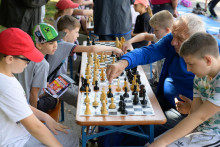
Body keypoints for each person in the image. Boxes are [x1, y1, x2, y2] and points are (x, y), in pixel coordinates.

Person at [106, 14, 208, 146]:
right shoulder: (173, 39)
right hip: (163, 98)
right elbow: (148, 52)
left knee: (143, 130)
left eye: (180, 39)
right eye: (173, 36)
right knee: (123, 114)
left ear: (197, 41)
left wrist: (194, 109)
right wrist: (123, 63)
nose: (172, 42)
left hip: (188, 113)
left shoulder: (212, 55)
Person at [0, 28, 78, 146]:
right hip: (16, 141)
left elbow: (20, 105)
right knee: (71, 139)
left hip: (19, 133)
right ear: (10, 59)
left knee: (70, 135)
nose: (28, 63)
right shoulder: (8, 86)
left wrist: (46, 117)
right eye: (27, 59)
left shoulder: (6, 75)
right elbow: (35, 127)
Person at [149, 32, 220, 147]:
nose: (188, 69)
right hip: (200, 128)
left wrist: (161, 143)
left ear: (208, 60)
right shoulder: (199, 76)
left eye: (190, 64)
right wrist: (191, 108)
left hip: (215, 134)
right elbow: (195, 113)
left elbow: (200, 116)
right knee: (151, 143)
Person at [46, 15, 124, 106]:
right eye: (76, 32)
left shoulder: (59, 41)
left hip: (60, 81)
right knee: (86, 102)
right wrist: (114, 49)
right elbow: (92, 49)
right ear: (66, 32)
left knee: (87, 92)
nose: (78, 35)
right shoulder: (62, 45)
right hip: (52, 85)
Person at [16, 23, 66, 112]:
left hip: (16, 99)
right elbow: (33, 94)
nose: (55, 45)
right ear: (39, 45)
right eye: (51, 43)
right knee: (55, 99)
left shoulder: (22, 55)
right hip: (27, 105)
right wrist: (34, 117)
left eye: (56, 41)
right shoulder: (43, 64)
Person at [123, 10, 173, 82]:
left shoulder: (172, 45)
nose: (154, 32)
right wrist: (130, 41)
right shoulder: (159, 37)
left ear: (167, 30)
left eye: (156, 30)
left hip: (163, 83)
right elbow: (144, 36)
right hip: (156, 78)